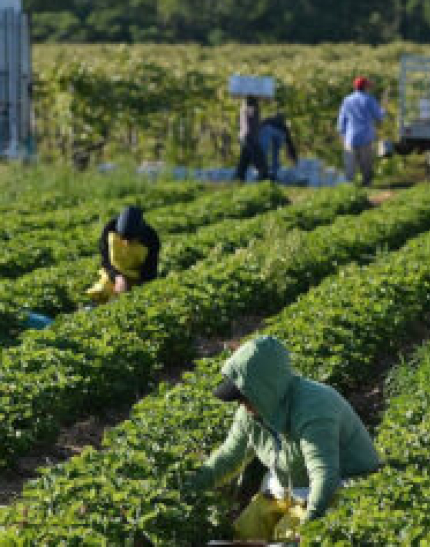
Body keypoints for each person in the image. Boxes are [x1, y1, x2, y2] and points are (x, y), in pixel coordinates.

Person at [188, 335, 381, 541]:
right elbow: (229, 457)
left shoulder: (314, 407)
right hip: (291, 488)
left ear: (265, 390)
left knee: (287, 536)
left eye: (245, 397)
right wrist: (188, 488)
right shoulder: (251, 413)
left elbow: (324, 474)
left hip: (342, 485)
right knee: (244, 531)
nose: (242, 405)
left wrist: (310, 525)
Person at [86, 206, 159, 304]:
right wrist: (118, 278)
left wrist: (133, 287)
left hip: (137, 279)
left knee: (134, 301)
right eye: (123, 238)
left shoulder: (152, 239)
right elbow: (105, 261)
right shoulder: (109, 229)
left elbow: (150, 273)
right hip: (113, 273)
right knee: (100, 292)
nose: (126, 243)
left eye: (131, 240)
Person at [336, 76, 385, 186]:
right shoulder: (369, 99)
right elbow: (379, 116)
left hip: (350, 136)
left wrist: (342, 133)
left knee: (350, 164)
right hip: (366, 136)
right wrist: (383, 111)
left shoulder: (347, 99)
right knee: (366, 164)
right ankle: (367, 183)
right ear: (365, 87)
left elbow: (342, 118)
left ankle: (349, 184)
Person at [235, 96, 269, 182]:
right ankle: (263, 175)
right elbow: (248, 123)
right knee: (258, 159)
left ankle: (239, 176)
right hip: (250, 137)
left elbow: (250, 122)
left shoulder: (247, 107)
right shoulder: (249, 107)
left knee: (245, 158)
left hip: (249, 137)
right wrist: (245, 135)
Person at [259, 113, 298, 179]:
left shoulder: (268, 120)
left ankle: (263, 171)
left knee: (264, 151)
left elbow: (259, 128)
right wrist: (294, 157)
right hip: (279, 133)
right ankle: (274, 172)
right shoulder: (284, 127)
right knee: (276, 153)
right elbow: (289, 143)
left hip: (268, 129)